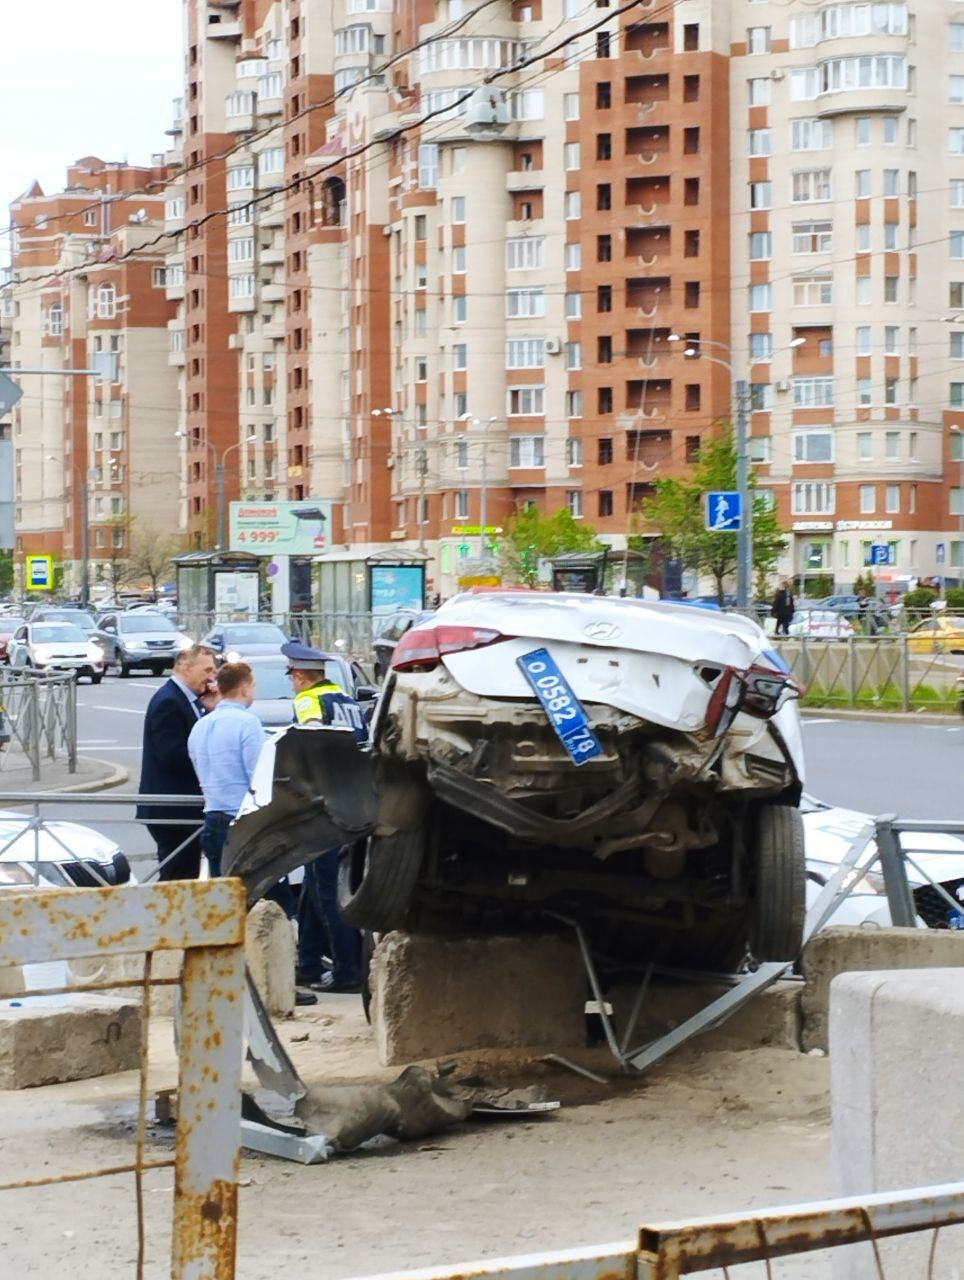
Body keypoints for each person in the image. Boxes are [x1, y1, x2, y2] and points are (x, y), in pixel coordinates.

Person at [282, 640, 368, 993]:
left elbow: (311, 741)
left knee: (327, 890)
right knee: (318, 888)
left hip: (324, 807)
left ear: (301, 676)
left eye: (292, 677)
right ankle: (309, 963)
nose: (292, 684)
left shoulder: (308, 700)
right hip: (355, 804)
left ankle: (348, 970)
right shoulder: (347, 702)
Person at [137, 645, 218, 881]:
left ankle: (176, 917)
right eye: (207, 670)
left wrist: (210, 710)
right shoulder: (169, 701)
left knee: (184, 878)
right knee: (177, 880)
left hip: (182, 809)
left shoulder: (190, 700)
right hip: (172, 809)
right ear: (186, 667)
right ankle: (167, 918)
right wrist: (210, 756)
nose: (212, 676)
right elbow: (171, 755)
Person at [187, 661, 264, 878]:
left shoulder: (200, 725)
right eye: (254, 685)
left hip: (212, 815)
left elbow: (198, 766)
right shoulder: (248, 723)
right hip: (243, 821)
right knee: (266, 897)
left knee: (224, 896)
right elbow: (257, 775)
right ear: (245, 687)